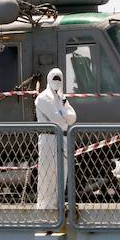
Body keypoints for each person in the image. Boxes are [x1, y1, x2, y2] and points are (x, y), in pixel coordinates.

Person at [35, 68, 77, 209]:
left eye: (59, 79)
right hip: (48, 138)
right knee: (48, 172)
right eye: (55, 79)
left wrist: (63, 112)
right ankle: (46, 205)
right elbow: (57, 120)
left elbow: (73, 117)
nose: (57, 82)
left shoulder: (62, 99)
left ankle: (57, 202)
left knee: (62, 172)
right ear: (49, 79)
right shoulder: (42, 97)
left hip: (62, 138)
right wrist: (64, 116)